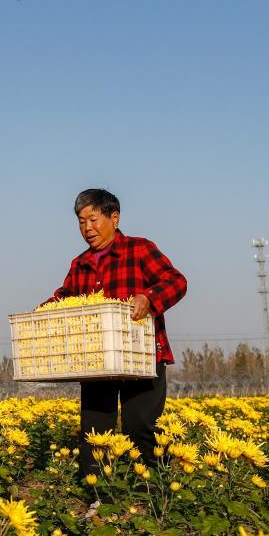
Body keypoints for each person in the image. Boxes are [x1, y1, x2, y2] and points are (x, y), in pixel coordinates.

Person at [44, 188, 186, 487]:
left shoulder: (139, 250)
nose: (87, 228)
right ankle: (98, 497)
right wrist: (44, 311)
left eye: (93, 219)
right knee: (95, 432)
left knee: (140, 426)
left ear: (114, 217)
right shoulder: (79, 263)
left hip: (142, 356)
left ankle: (158, 489)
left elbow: (176, 281)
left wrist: (149, 298)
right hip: (98, 361)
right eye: (81, 222)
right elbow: (66, 297)